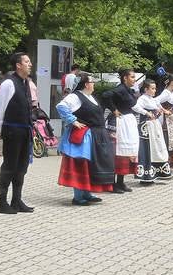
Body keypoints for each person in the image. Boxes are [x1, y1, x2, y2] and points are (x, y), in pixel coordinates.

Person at [56, 74, 115, 205]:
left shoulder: (90, 97)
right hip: (84, 137)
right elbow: (61, 106)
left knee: (90, 165)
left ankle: (87, 193)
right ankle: (78, 197)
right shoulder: (75, 96)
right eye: (92, 82)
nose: (94, 84)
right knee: (80, 164)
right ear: (86, 84)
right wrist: (73, 120)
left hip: (95, 135)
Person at [0, 52, 36, 214]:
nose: (30, 64)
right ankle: (0, 202)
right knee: (9, 166)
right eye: (27, 61)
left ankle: (16, 200)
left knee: (22, 167)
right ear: (18, 65)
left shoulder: (26, 83)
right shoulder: (8, 83)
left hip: (24, 130)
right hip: (12, 130)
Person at [103, 69, 139, 192]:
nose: (134, 79)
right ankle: (112, 184)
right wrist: (113, 109)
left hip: (127, 123)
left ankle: (120, 182)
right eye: (132, 77)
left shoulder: (128, 90)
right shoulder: (120, 89)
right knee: (116, 152)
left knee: (126, 152)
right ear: (125, 78)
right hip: (119, 123)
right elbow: (106, 95)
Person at [133, 79, 172, 182]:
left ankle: (157, 172)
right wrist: (146, 113)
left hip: (154, 127)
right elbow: (135, 107)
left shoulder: (152, 99)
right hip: (146, 127)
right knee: (147, 149)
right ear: (146, 89)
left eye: (155, 88)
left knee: (157, 148)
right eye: (152, 88)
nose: (155, 90)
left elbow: (159, 107)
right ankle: (146, 174)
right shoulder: (142, 98)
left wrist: (164, 111)